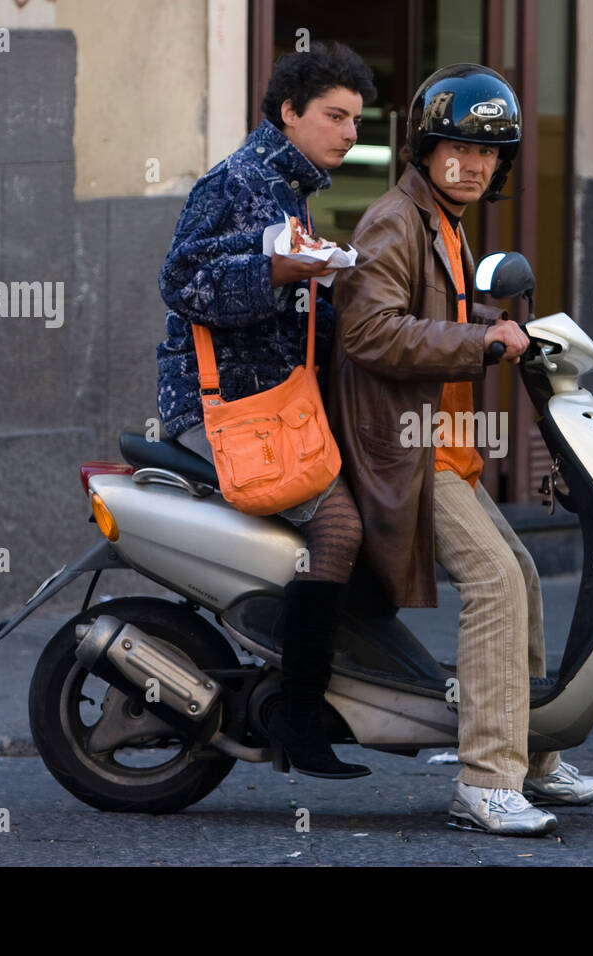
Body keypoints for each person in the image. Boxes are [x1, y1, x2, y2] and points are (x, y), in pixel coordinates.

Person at [329, 64, 593, 835]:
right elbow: (370, 329)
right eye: (460, 147)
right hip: (411, 451)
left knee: (519, 571)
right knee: (493, 585)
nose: (476, 164)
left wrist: (503, 324)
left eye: (490, 153)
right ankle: (485, 782)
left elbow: (438, 305)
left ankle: (535, 759)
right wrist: (481, 338)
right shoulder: (393, 219)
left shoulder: (441, 222)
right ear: (426, 148)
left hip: (447, 449)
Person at [156, 41, 377, 779]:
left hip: (276, 405)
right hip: (225, 408)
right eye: (335, 116)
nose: (350, 133)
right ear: (289, 112)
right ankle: (298, 715)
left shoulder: (289, 187)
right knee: (340, 525)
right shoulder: (239, 180)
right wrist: (275, 270)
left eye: (356, 119)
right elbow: (181, 281)